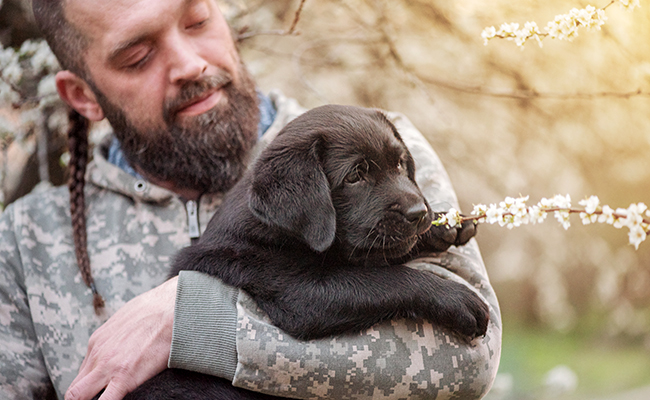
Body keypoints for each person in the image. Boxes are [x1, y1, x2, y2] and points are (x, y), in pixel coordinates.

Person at [0, 0, 502, 399]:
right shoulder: (26, 241)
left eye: (196, 20)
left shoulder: (377, 138)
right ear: (83, 96)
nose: (189, 63)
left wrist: (196, 323)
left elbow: (466, 356)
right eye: (138, 56)